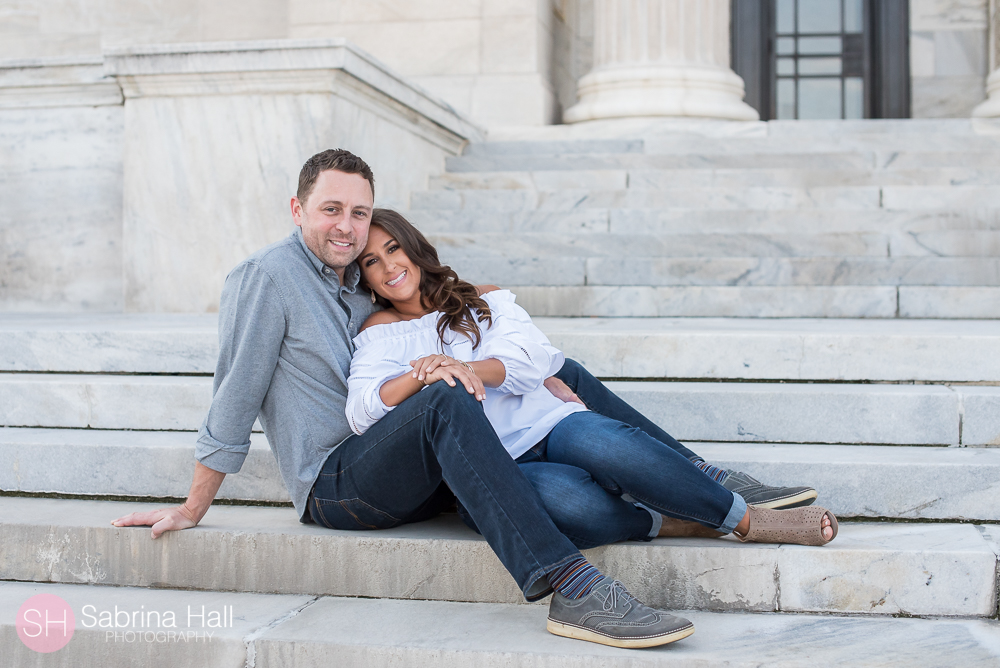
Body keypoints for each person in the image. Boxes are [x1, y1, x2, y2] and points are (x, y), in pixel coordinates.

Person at [111, 148, 698, 650]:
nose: (346, 226)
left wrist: (519, 354)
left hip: (407, 466)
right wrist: (192, 508)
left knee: (551, 370)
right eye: (331, 210)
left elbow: (429, 306)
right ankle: (572, 588)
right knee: (444, 392)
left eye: (358, 213)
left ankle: (697, 479)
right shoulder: (266, 277)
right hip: (338, 483)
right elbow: (234, 398)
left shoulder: (357, 283)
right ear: (298, 211)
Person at [346, 208, 838, 553]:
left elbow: (532, 359)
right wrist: (423, 373)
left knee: (609, 443)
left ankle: (747, 520)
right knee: (572, 502)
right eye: (372, 260)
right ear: (364, 277)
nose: (389, 266)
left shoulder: (483, 299)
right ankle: (675, 520)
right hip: (493, 462)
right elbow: (363, 409)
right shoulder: (379, 333)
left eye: (393, 249)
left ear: (413, 248)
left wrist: (465, 368)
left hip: (546, 423)